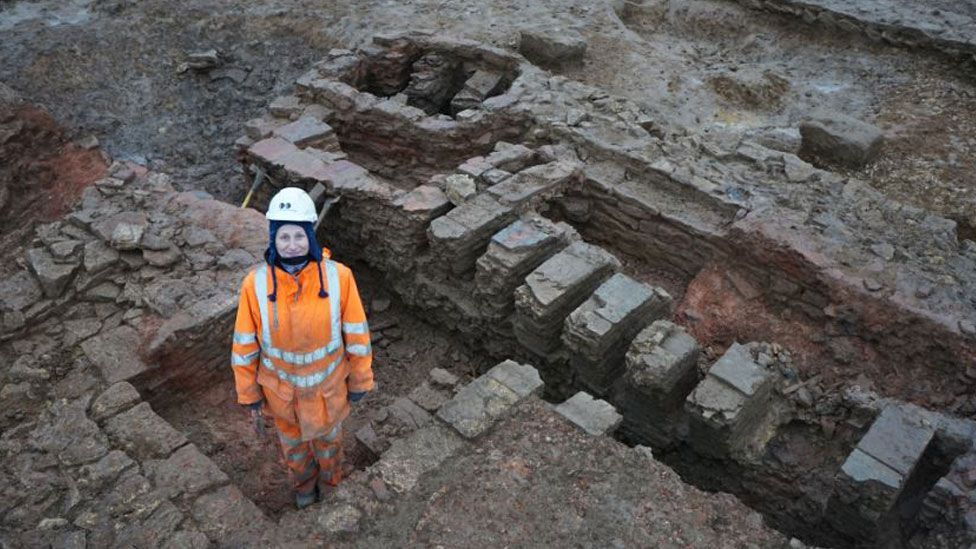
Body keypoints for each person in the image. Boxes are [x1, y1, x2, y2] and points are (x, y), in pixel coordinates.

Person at [230, 186, 374, 509]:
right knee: (293, 449)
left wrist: (361, 380)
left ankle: (331, 485)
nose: (292, 245)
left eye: (299, 236)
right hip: (282, 397)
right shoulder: (255, 285)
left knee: (329, 446)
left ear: (310, 236)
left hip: (328, 394)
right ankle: (304, 490)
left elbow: (357, 335)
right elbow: (243, 347)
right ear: (273, 240)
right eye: (284, 237)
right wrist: (249, 394)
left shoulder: (339, 278)